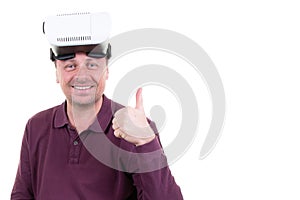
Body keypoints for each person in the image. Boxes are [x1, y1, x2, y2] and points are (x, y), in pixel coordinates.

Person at [11, 12, 183, 200]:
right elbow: (21, 195)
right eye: (70, 66)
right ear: (56, 74)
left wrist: (146, 144)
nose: (82, 75)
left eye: (92, 65)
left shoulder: (134, 129)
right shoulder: (36, 127)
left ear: (107, 71)